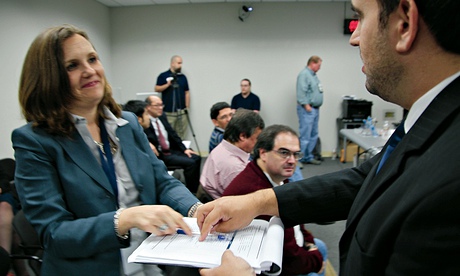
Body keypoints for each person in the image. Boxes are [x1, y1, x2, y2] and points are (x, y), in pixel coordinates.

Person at [197, 0, 460, 275]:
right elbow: (363, 181)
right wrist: (257, 202)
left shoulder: (449, 186)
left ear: (404, 24)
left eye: (360, 17)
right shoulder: (429, 121)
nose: (354, 38)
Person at [12, 25, 203, 275]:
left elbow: (161, 181)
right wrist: (125, 219)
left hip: (148, 262)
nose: (90, 70)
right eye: (72, 66)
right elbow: (54, 234)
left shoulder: (127, 123)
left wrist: (196, 208)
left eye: (92, 59)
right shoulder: (34, 141)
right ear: (49, 79)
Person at [223, 125, 326, 276]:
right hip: (269, 266)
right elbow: (289, 259)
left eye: (296, 154)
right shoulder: (256, 191)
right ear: (263, 153)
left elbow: (296, 218)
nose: (292, 161)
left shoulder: (276, 178)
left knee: (320, 246)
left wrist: (310, 243)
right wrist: (315, 260)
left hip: (287, 248)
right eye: (284, 153)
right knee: (315, 269)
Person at [198, 109, 264, 201]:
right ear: (243, 136)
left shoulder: (223, 147)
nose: (259, 143)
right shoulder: (236, 168)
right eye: (257, 138)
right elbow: (250, 202)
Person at [145, 95, 201, 193]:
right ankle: (191, 191)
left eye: (162, 105)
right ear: (148, 107)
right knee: (191, 163)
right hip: (161, 155)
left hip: (171, 150)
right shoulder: (144, 121)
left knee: (196, 157)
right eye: (157, 105)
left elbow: (173, 134)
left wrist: (184, 149)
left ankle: (195, 188)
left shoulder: (161, 117)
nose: (161, 108)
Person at [155, 55, 190, 139]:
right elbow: (157, 89)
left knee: (181, 135)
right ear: (172, 63)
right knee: (168, 135)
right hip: (168, 112)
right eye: (178, 63)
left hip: (181, 111)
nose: (180, 65)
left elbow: (187, 92)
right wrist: (167, 85)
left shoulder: (183, 77)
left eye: (181, 63)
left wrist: (187, 107)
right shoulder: (163, 76)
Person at [296, 55, 323, 165]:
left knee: (313, 135)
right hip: (307, 109)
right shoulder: (304, 75)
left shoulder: (313, 75)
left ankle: (308, 156)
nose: (320, 68)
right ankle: (298, 160)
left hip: (315, 109)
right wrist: (306, 106)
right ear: (312, 63)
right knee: (305, 136)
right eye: (319, 65)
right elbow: (301, 92)